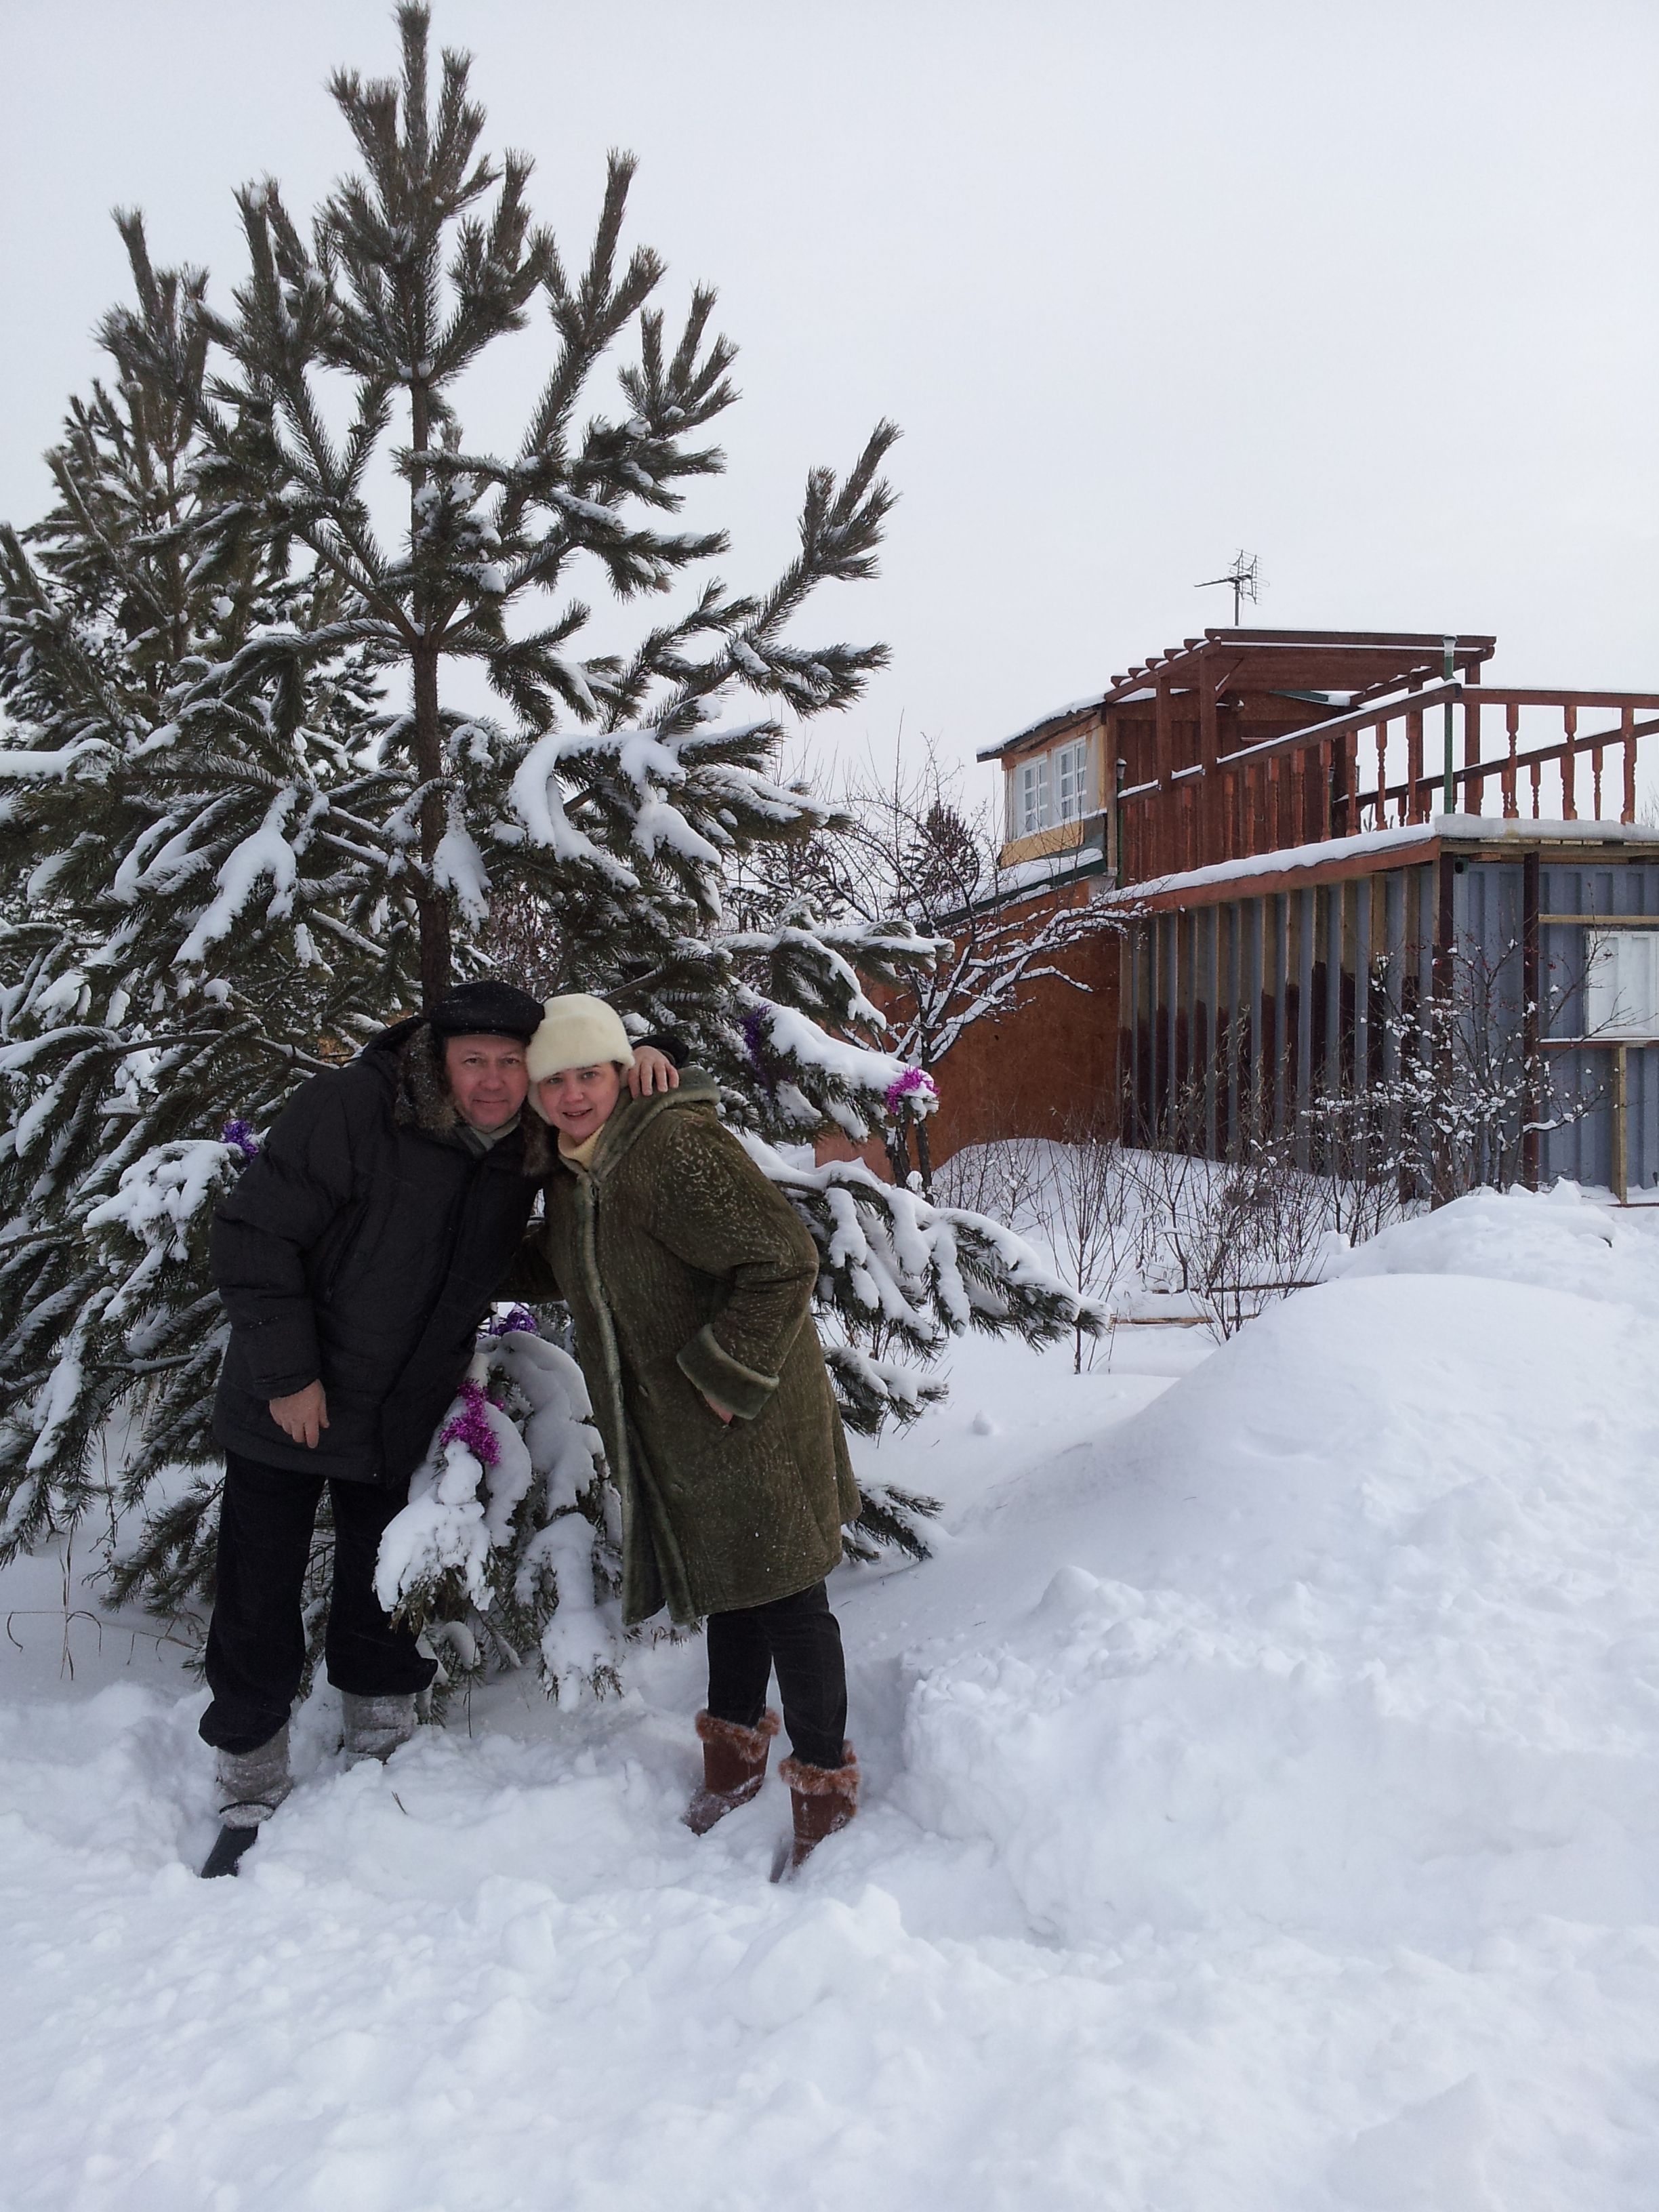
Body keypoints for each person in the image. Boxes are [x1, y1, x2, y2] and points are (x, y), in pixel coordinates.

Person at [198, 978, 682, 1877]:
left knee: (381, 1574)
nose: (494, 1080)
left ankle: (379, 1725)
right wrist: (291, 1375)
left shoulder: (524, 1143)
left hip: (400, 1400)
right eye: (474, 1061)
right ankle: (249, 1767)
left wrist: (661, 1061)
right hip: (290, 1400)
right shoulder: (353, 1110)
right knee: (258, 1585)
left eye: (511, 1062)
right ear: (437, 1058)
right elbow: (253, 1238)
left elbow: (607, 1099)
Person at [514, 993, 861, 1874]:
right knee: (731, 1583)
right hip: (684, 1431)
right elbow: (579, 1265)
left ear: (620, 1072)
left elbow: (784, 1255)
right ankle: (734, 1762)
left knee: (787, 1596)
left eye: (588, 1074)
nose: (572, 1094)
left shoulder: (668, 1148)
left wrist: (723, 1375)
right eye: (553, 1080)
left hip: (751, 1411)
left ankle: (824, 1789)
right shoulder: (571, 1172)